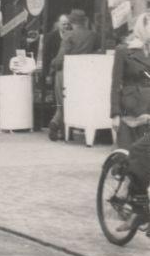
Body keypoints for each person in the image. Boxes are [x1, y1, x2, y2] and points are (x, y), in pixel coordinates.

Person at [48, 11, 101, 141]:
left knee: (61, 102)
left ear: (72, 22)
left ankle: (58, 127)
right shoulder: (93, 35)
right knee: (74, 102)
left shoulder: (68, 36)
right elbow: (97, 51)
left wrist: (52, 64)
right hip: (83, 74)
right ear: (84, 21)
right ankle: (62, 129)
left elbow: (61, 58)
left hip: (65, 73)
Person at [111, 12, 150, 151]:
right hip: (130, 109)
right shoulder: (124, 50)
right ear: (142, 28)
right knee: (128, 153)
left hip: (148, 108)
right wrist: (115, 114)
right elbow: (115, 84)